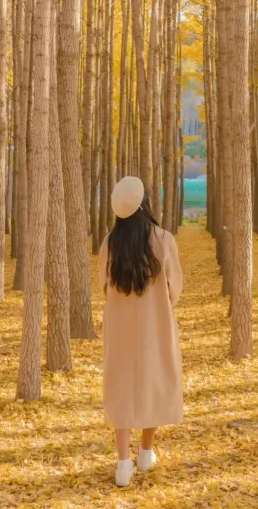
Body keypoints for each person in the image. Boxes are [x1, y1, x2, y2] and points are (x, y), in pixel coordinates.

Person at [98, 176, 184, 487]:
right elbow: (175, 287)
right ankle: (145, 453)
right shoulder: (163, 239)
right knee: (154, 381)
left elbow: (102, 284)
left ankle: (123, 464)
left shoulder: (110, 242)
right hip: (155, 323)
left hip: (119, 327)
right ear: (143, 204)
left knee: (120, 387)